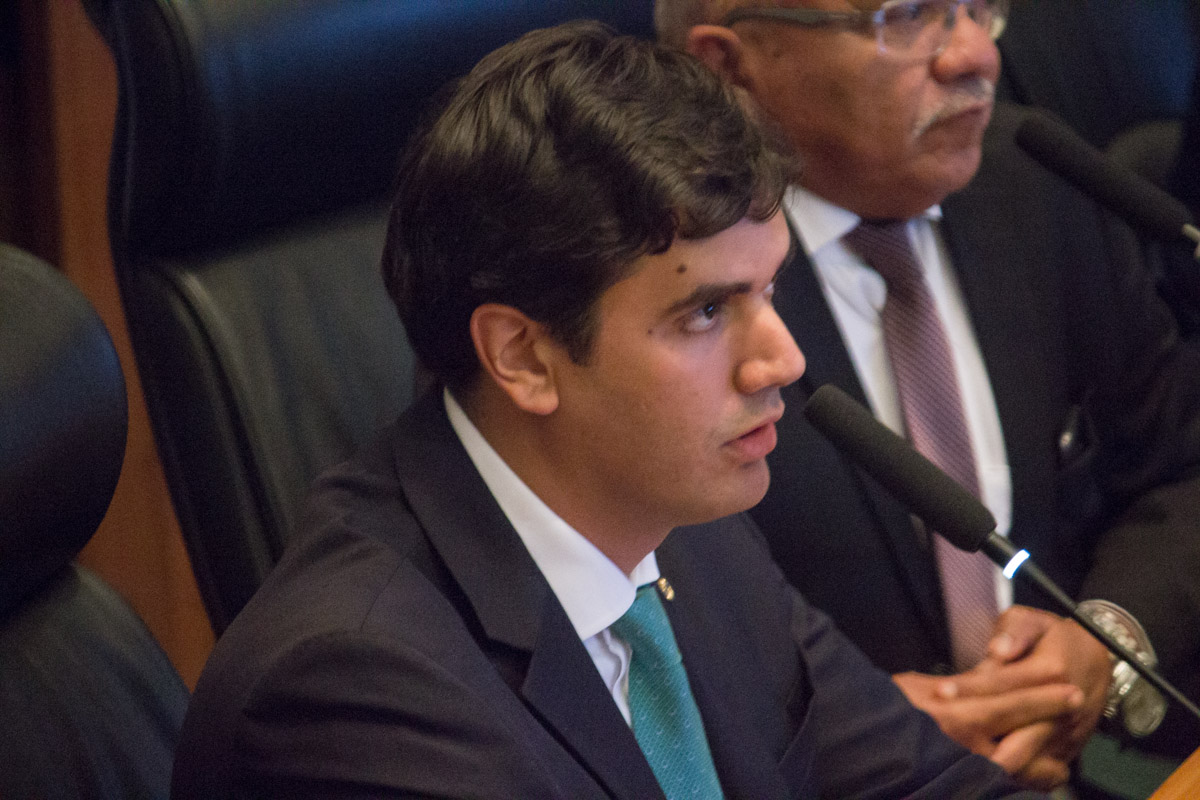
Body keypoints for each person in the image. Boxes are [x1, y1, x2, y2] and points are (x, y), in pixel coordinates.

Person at [170, 20, 1049, 799]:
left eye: (770, 288)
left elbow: (929, 783)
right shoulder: (354, 692)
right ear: (523, 357)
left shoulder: (685, 529)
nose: (783, 359)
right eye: (706, 312)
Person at [656, 0, 1200, 791]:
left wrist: (1107, 638)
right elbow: (627, 617)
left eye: (977, 7)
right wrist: (847, 736)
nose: (975, 54)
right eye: (906, 17)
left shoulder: (1039, 177)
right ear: (728, 65)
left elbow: (1181, 465)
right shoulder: (654, 289)